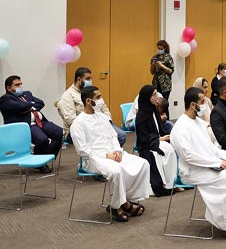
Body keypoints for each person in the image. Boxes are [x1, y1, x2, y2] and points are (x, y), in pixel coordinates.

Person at [170, 87, 226, 240]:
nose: (205, 105)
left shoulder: (198, 122)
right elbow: (188, 156)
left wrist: (221, 154)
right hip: (193, 170)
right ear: (193, 104)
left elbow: (209, 146)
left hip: (209, 162)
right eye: (202, 102)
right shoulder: (180, 127)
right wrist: (216, 162)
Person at [71, 86, 150, 222]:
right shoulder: (78, 123)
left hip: (114, 154)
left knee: (143, 163)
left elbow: (113, 136)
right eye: (98, 97)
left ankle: (125, 199)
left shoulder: (102, 117)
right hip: (93, 159)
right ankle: (117, 206)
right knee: (116, 171)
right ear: (88, 101)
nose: (101, 100)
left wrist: (117, 151)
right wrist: (107, 156)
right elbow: (82, 150)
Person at [0, 76, 62, 172]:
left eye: (21, 84)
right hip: (27, 125)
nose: (20, 86)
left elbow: (41, 103)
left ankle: (41, 159)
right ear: (8, 88)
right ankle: (40, 163)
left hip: (41, 121)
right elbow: (20, 106)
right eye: (17, 85)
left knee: (60, 133)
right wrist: (31, 104)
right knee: (43, 140)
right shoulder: (5, 99)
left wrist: (28, 107)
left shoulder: (27, 94)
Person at [56, 66, 126, 146]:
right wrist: (94, 126)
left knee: (121, 136)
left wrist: (107, 121)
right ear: (79, 79)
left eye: (90, 79)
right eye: (87, 79)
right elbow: (71, 120)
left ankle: (107, 152)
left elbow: (104, 109)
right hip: (79, 129)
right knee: (102, 138)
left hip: (100, 122)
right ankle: (102, 152)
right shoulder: (68, 96)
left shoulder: (92, 91)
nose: (90, 81)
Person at [134, 85, 177, 196]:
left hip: (157, 140)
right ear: (147, 97)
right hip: (148, 146)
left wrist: (164, 137)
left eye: (156, 94)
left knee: (174, 147)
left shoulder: (153, 110)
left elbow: (159, 129)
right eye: (153, 95)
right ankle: (166, 184)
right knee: (168, 151)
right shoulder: (141, 116)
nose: (156, 97)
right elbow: (143, 138)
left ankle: (172, 183)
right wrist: (160, 139)